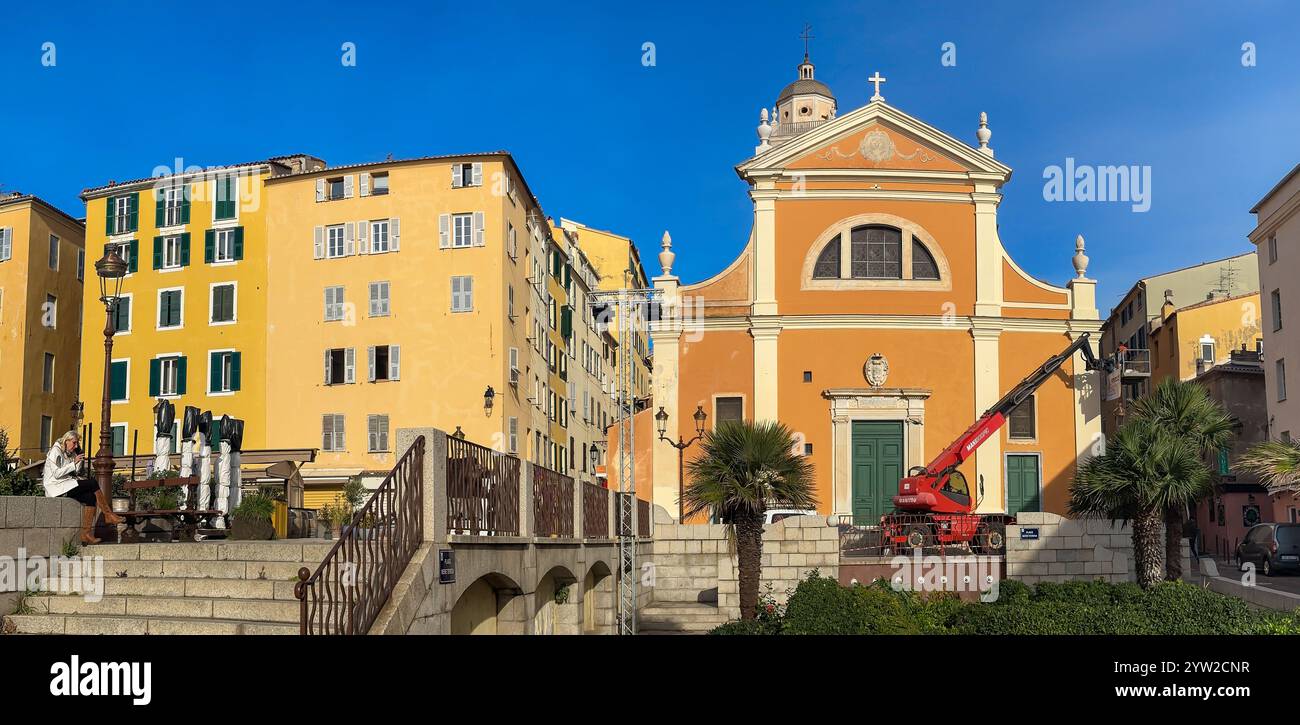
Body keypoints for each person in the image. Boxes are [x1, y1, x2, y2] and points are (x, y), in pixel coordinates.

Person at [43, 431, 124, 544]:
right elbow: (56, 474)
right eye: (74, 443)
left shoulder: (67, 453)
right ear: (66, 441)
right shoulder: (55, 451)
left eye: (77, 444)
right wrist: (73, 463)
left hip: (64, 485)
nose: (75, 446)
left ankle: (86, 534)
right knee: (92, 483)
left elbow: (74, 472)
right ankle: (108, 514)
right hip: (55, 488)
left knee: (90, 497)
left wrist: (78, 461)